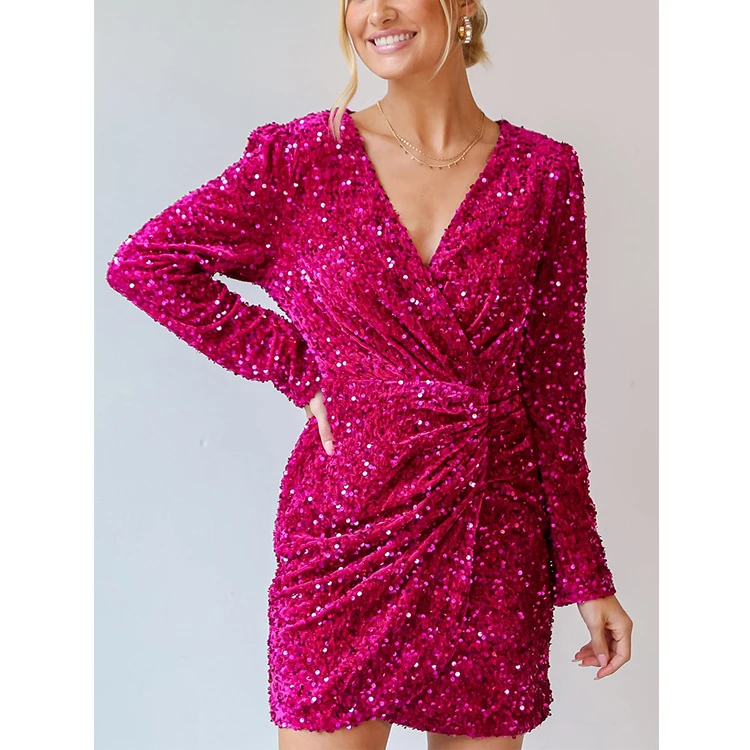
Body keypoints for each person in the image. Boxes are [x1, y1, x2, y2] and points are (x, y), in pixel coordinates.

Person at [105, 1, 633, 748]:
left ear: (462, 5)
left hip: (491, 535)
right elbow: (149, 264)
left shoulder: (545, 173)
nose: (376, 12)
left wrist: (586, 573)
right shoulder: (301, 160)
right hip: (347, 537)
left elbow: (553, 390)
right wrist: (298, 368)